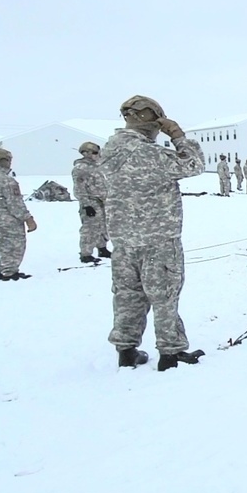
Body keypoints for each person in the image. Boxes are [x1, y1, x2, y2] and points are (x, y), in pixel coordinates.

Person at [99, 95, 205, 370]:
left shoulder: (110, 149)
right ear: (152, 120)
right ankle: (170, 355)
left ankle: (126, 350)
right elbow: (194, 165)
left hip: (124, 241)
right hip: (157, 239)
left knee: (127, 296)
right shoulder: (147, 152)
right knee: (164, 296)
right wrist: (179, 136)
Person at [0, 148, 38, 280]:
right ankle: (9, 272)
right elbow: (15, 204)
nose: (10, 163)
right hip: (8, 219)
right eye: (8, 160)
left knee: (0, 245)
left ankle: (3, 269)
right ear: (1, 161)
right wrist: (28, 218)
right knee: (13, 246)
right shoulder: (6, 180)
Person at [71, 141, 111, 263]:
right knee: (90, 228)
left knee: (103, 226)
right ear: (85, 153)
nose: (96, 155)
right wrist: (86, 204)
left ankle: (102, 247)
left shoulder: (97, 166)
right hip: (90, 201)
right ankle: (86, 253)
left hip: (102, 201)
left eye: (97, 152)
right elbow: (79, 188)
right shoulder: (80, 168)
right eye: (93, 152)